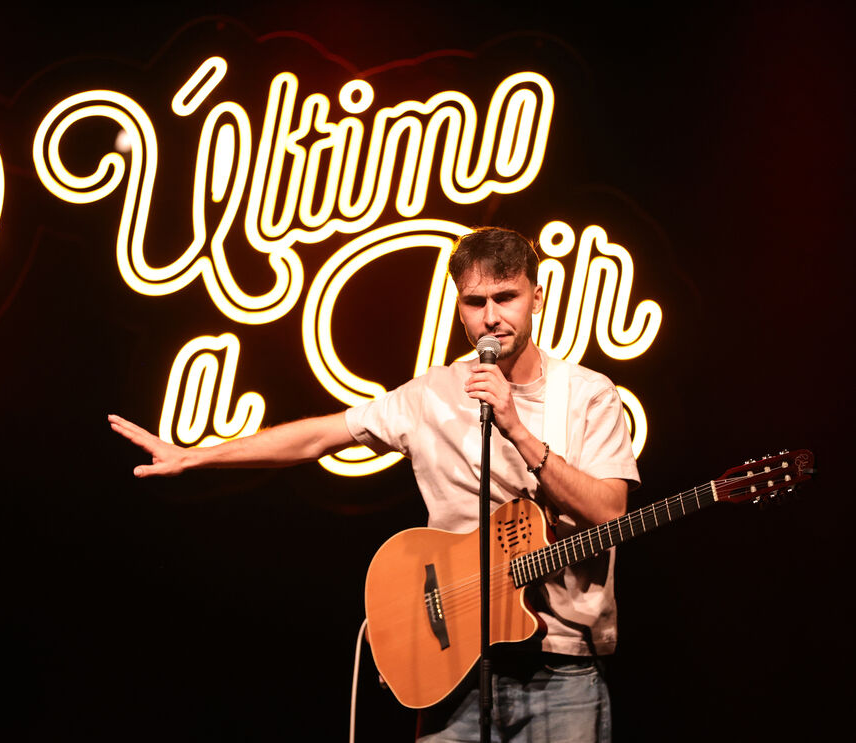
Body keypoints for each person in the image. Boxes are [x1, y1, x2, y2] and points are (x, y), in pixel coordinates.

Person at [108, 226, 639, 742]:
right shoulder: (432, 394)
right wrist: (195, 457)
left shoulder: (588, 395)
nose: (491, 317)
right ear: (458, 306)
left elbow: (610, 512)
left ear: (536, 297)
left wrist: (516, 428)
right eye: (475, 302)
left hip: (563, 670)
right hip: (451, 664)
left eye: (506, 297)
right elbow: (319, 437)